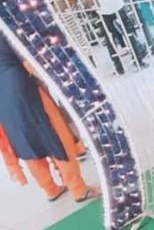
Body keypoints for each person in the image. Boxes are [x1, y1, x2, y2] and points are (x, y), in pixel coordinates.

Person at [0, 35, 98, 202]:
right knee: (55, 134)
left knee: (24, 141)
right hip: (22, 85)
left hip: (3, 100)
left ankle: (51, 189)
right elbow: (26, 58)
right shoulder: (5, 27)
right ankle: (78, 189)